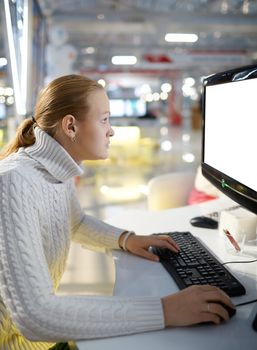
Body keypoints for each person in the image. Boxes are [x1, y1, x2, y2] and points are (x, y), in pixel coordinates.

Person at [0, 75, 235, 349]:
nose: (111, 131)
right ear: (70, 126)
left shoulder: (53, 170)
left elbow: (74, 223)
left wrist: (126, 239)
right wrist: (165, 310)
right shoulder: (14, 181)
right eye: (104, 120)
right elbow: (36, 316)